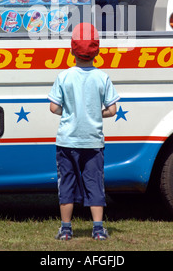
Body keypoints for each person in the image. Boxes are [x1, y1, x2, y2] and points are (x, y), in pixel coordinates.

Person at [48, 22, 119, 241]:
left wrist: (70, 111)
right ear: (97, 52)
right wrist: (96, 114)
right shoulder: (102, 77)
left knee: (66, 183)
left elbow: (53, 107)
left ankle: (66, 229)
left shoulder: (64, 76)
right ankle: (98, 228)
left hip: (67, 141)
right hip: (93, 142)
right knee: (95, 184)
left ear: (71, 50)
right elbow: (112, 109)